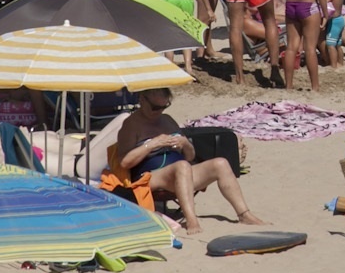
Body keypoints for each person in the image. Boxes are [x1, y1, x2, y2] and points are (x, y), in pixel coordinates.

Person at [113, 86, 264, 234]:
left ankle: (244, 214)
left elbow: (190, 156)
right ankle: (192, 220)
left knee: (220, 163)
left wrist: (184, 143)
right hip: (149, 176)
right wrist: (152, 144)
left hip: (180, 172)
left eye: (164, 106)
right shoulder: (131, 125)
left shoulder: (167, 120)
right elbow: (124, 162)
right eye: (155, 107)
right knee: (182, 166)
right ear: (142, 99)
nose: (159, 111)